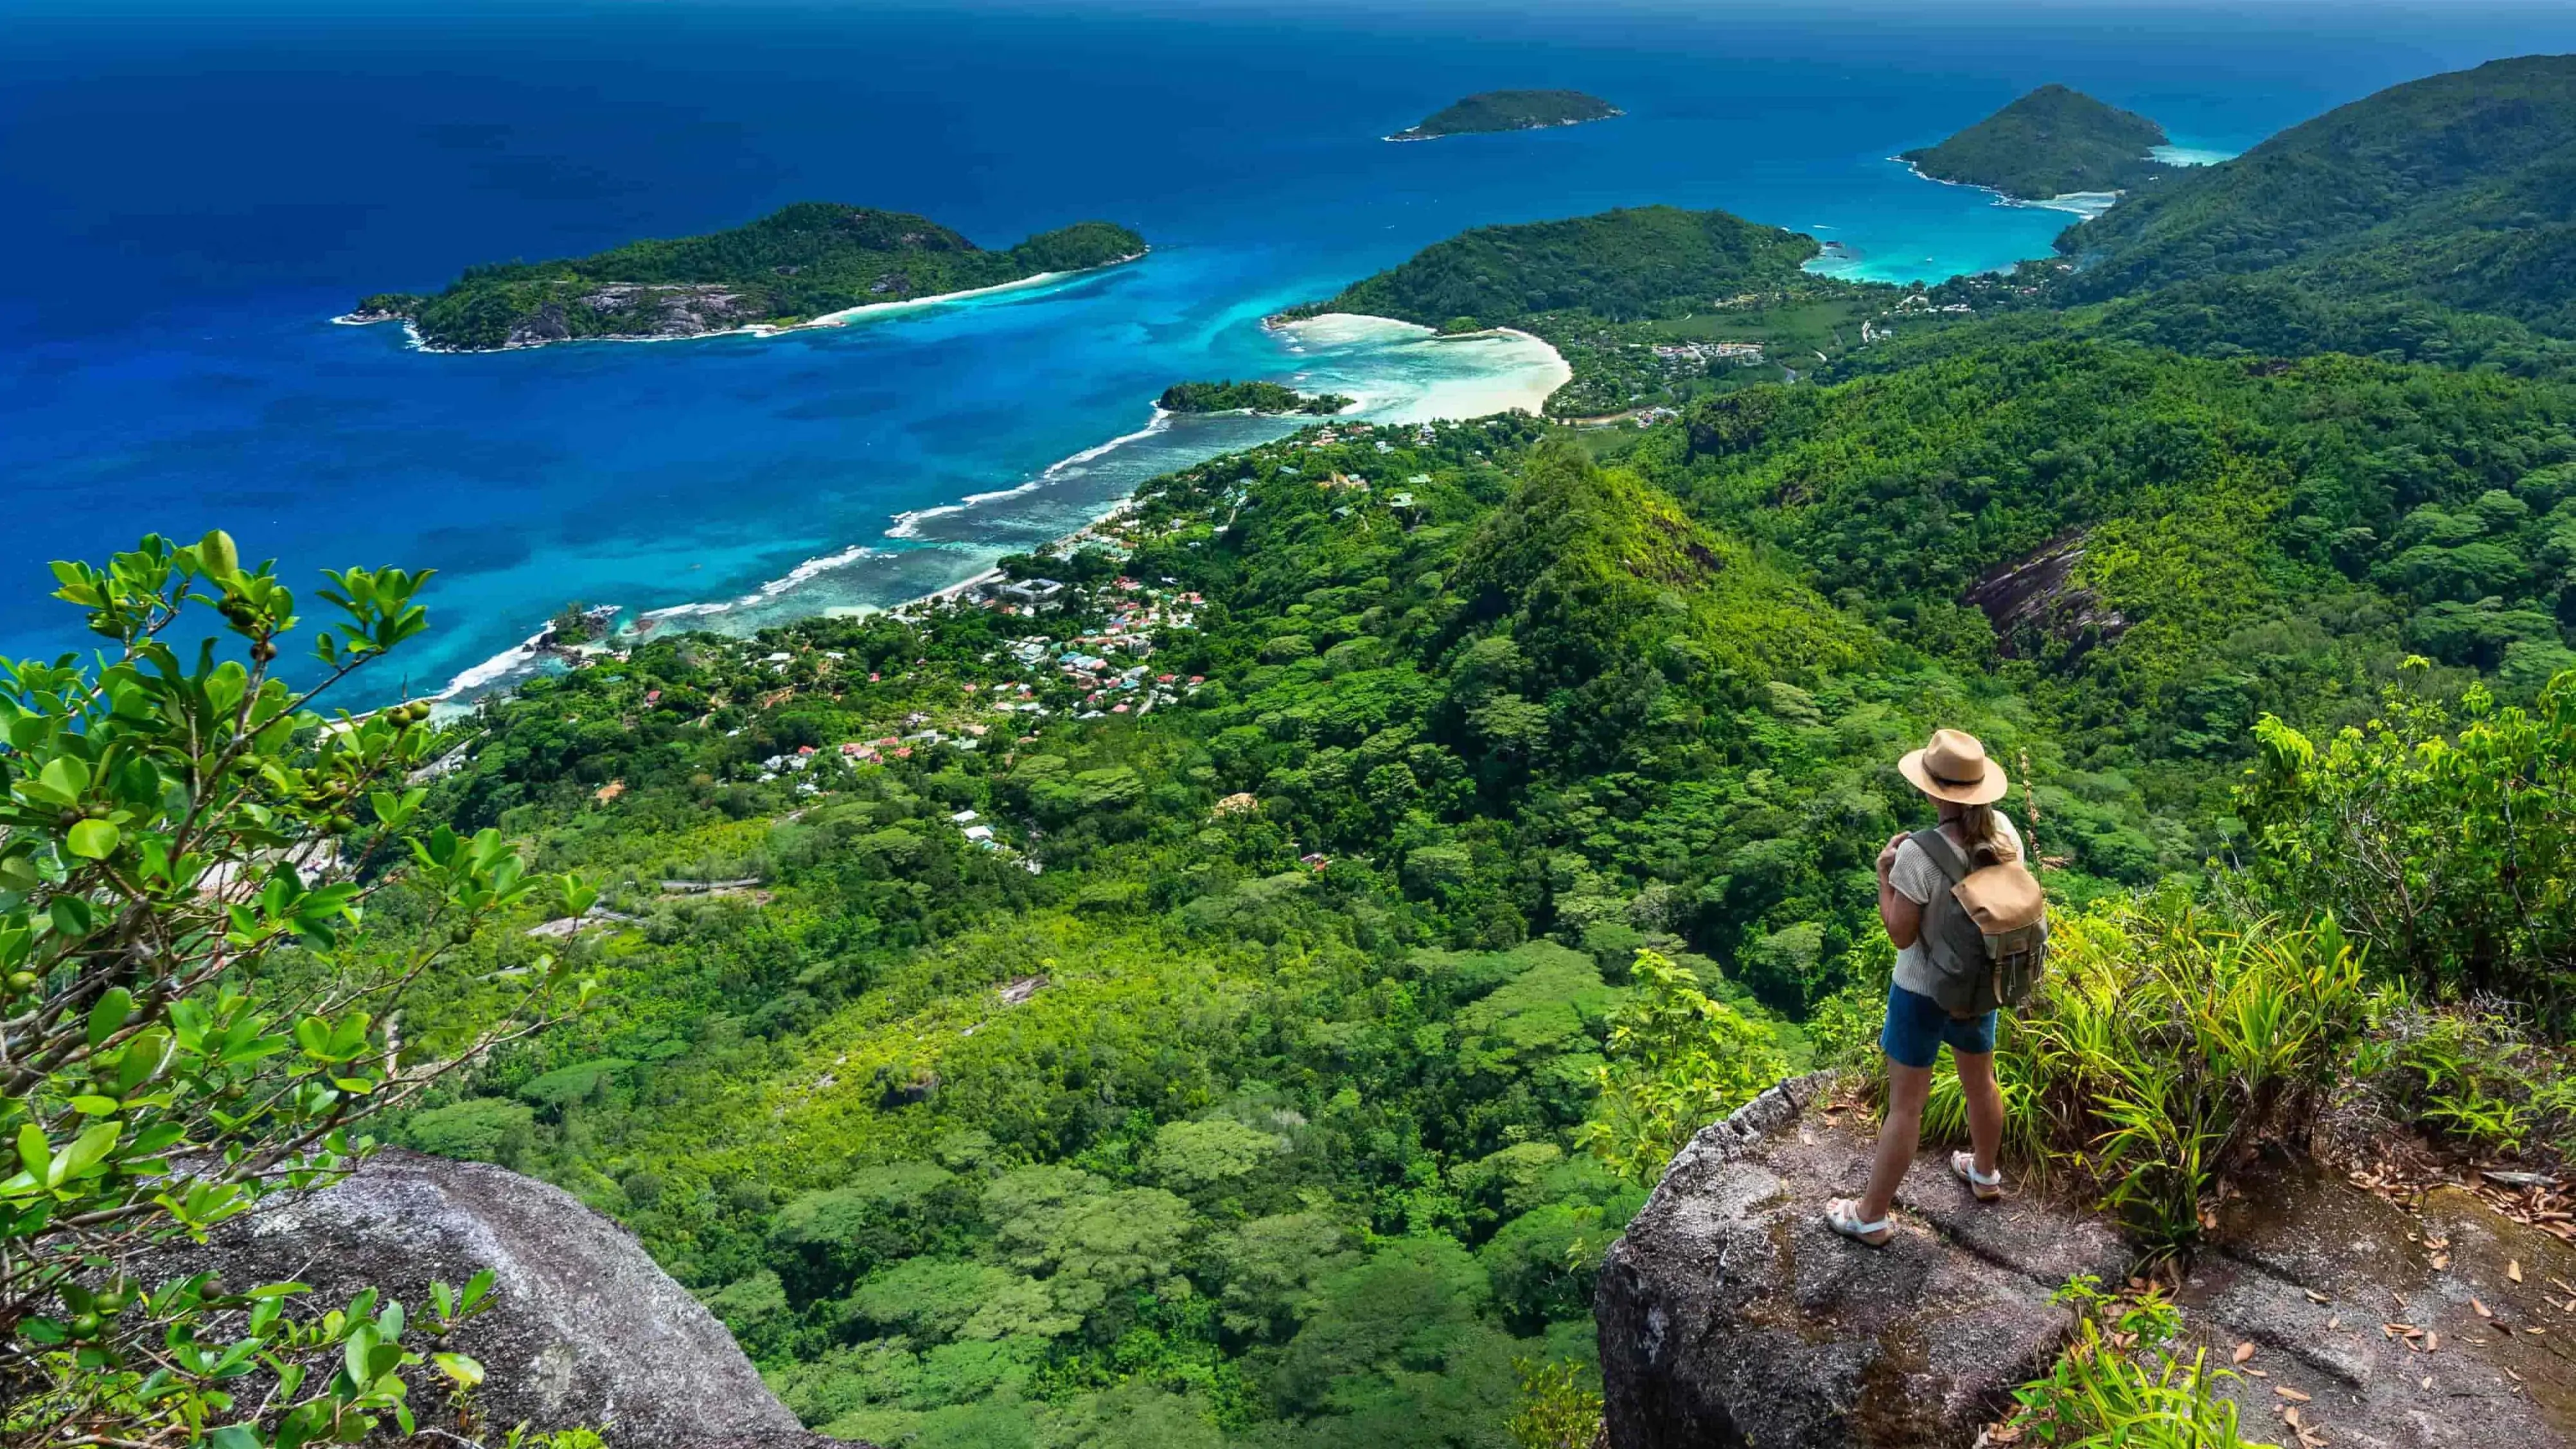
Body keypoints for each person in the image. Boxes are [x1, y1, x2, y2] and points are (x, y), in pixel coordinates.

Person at [1825, 729, 2020, 1246]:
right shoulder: (2004, 834)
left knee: (1906, 1106)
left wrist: (1883, 877)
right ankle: (1984, 1173)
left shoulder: (1917, 854)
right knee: (1981, 1082)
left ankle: (1870, 1215)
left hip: (1919, 990)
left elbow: (1901, 933)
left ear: (1934, 792)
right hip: (1980, 983)